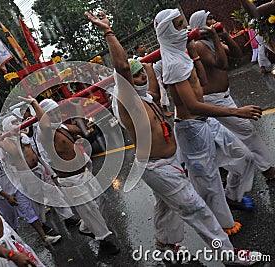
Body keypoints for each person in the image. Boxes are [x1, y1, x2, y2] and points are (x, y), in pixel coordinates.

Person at [85, 10, 261, 265]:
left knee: (166, 207)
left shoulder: (146, 97)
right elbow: (122, 67)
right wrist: (107, 31)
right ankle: (229, 255)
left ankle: (165, 244)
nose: (141, 78)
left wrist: (148, 67)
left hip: (172, 158)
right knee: (196, 208)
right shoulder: (127, 103)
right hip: (156, 166)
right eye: (135, 76)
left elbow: (152, 82)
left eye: (141, 75)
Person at [155, 8, 263, 234]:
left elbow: (202, 80)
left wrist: (192, 53)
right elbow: (192, 105)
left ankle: (233, 197)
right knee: (209, 181)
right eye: (177, 25)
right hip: (191, 129)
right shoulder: (172, 63)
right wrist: (237, 112)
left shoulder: (182, 54)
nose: (184, 28)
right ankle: (224, 227)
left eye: (183, 23)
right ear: (167, 31)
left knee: (244, 157)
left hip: (207, 121)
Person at [16, 96, 120, 255]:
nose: (57, 115)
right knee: (90, 210)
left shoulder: (62, 128)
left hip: (85, 174)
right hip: (71, 181)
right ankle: (104, 240)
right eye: (52, 113)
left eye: (57, 111)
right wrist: (34, 103)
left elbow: (80, 128)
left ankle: (85, 227)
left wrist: (78, 110)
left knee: (101, 201)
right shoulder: (46, 134)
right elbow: (44, 122)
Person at [189, 10, 275, 181]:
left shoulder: (212, 41)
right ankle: (267, 168)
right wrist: (215, 38)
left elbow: (237, 54)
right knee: (246, 130)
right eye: (209, 20)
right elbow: (221, 64)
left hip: (224, 96)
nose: (214, 21)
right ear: (201, 26)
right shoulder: (199, 46)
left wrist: (225, 36)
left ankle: (224, 172)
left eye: (213, 18)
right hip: (213, 100)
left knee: (229, 138)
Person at [0, 128, 62, 245]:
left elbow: (12, 162)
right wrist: (5, 196)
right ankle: (14, 245)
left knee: (29, 211)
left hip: (16, 188)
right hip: (1, 196)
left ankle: (44, 238)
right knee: (11, 222)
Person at [0, 117, 81, 228]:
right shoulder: (6, 141)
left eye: (17, 122)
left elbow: (34, 150)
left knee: (54, 193)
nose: (17, 124)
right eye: (13, 123)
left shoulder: (23, 135)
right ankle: (42, 224)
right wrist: (15, 136)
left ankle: (67, 217)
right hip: (26, 174)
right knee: (37, 200)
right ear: (7, 125)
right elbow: (15, 152)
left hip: (38, 168)